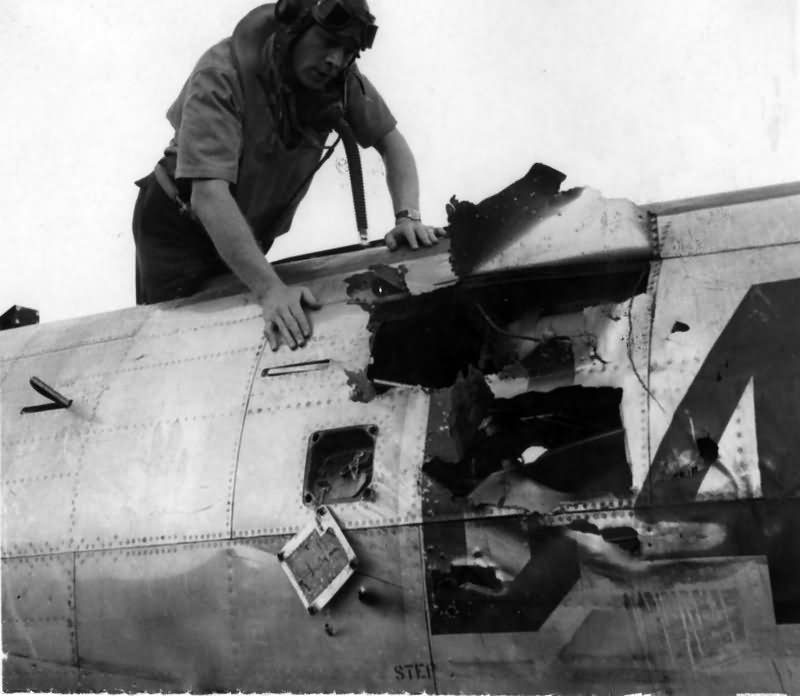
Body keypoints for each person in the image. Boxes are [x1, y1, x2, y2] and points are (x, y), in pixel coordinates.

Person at [133, 0, 443, 351]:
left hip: (246, 227)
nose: (335, 61)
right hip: (179, 229)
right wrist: (270, 289)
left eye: (348, 51)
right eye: (328, 43)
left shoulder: (342, 83)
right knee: (182, 342)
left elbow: (393, 145)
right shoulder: (221, 73)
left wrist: (407, 216)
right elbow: (208, 195)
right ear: (294, 30)